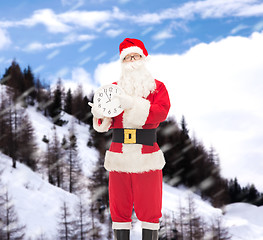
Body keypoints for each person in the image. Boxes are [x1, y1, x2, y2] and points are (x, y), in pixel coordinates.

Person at [90, 38, 170, 240]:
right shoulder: (114, 89)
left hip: (147, 153)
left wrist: (132, 104)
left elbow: (160, 113)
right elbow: (105, 122)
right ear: (122, 63)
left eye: (135, 56)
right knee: (119, 205)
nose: (132, 61)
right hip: (119, 153)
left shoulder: (157, 87)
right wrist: (99, 114)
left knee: (150, 207)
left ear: (144, 58)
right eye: (127, 58)